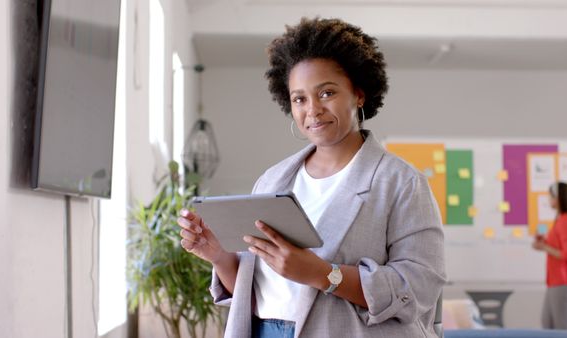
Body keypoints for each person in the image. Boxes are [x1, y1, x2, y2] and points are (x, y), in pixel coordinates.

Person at [177, 17, 446, 338]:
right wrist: (219, 256)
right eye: (299, 98)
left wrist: (325, 275)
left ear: (359, 94)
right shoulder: (272, 180)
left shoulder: (401, 182)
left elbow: (419, 289)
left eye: (327, 92)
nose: (313, 109)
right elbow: (259, 290)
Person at [532, 181, 567, 330]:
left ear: (558, 198)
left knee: (562, 329)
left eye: (551, 196)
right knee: (547, 324)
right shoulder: (560, 221)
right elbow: (558, 247)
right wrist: (544, 244)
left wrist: (545, 247)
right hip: (555, 281)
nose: (549, 200)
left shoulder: (566, 221)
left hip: (563, 281)